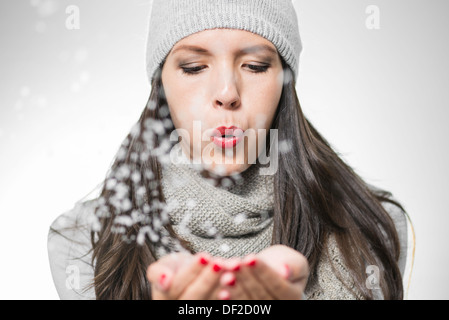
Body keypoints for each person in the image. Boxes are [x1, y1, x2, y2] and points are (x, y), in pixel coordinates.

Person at [48, 0, 415, 300]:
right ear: (161, 85)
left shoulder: (372, 230)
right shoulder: (83, 240)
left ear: (284, 82)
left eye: (255, 66)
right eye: (194, 67)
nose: (227, 92)